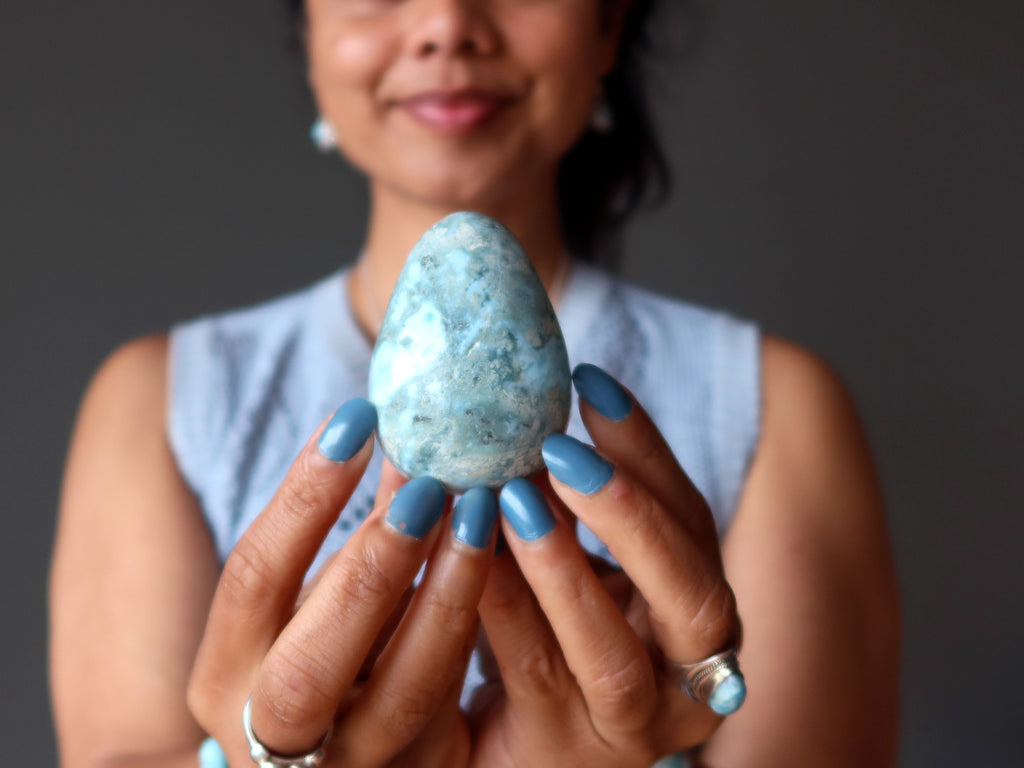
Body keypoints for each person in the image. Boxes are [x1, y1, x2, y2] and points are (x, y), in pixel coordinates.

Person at [49, 1, 901, 766]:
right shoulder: (160, 399)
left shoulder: (771, 403)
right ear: (309, 33)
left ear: (607, 26)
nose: (447, 22)